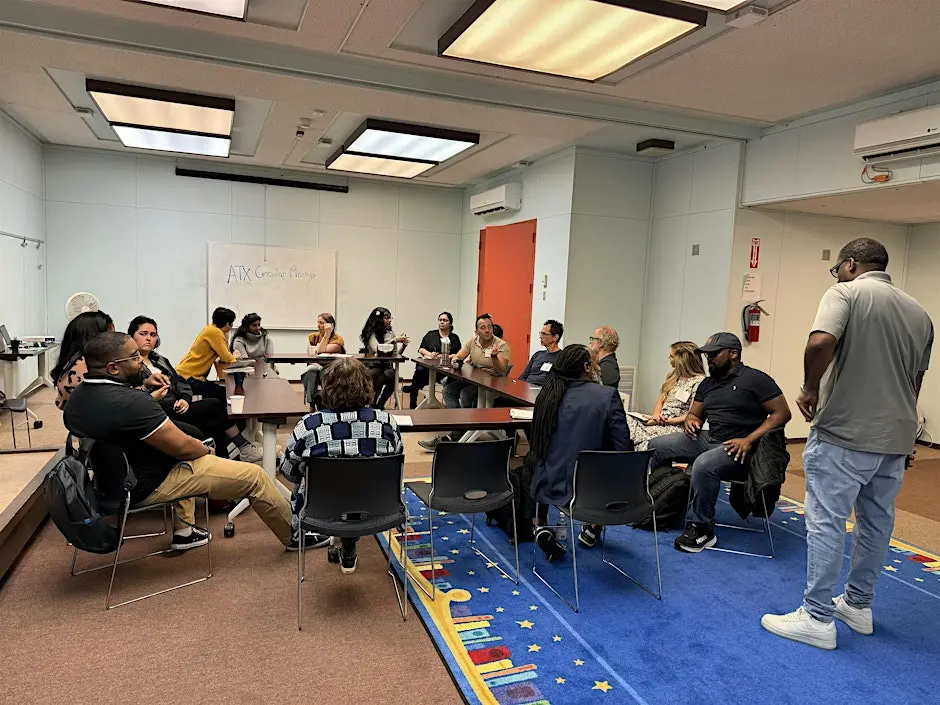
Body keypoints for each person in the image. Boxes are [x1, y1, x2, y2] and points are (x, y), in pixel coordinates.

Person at [762, 238, 934, 651]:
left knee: (825, 520)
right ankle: (858, 605)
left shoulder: (845, 292)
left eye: (836, 267)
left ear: (850, 264)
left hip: (844, 433)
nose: (835, 274)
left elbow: (820, 342)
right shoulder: (920, 312)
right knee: (877, 523)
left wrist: (808, 388)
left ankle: (817, 617)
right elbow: (916, 381)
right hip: (895, 437)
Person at [62, 332, 293, 550]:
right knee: (255, 476)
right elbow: (183, 449)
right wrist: (206, 450)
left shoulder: (77, 400)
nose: (141, 362)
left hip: (107, 483)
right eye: (134, 358)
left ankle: (184, 532)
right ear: (113, 368)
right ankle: (295, 537)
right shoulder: (132, 404)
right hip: (146, 484)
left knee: (185, 440)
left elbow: (120, 414)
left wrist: (142, 387)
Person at [647, 332, 791, 553]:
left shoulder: (755, 379)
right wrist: (692, 421)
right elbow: (695, 414)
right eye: (707, 355)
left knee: (703, 465)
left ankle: (702, 529)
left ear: (733, 354)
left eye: (714, 354)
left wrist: (749, 439)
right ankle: (659, 504)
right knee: (657, 445)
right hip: (710, 439)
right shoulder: (707, 384)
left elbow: (782, 413)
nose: (709, 359)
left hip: (741, 447)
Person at [279, 357, 404, 574]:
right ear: (368, 386)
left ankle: (329, 536)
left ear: (325, 387)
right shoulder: (386, 423)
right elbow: (397, 465)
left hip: (321, 509)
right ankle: (349, 543)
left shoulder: (310, 425)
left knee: (302, 478)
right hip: (376, 506)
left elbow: (288, 471)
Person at [527, 344, 633, 560]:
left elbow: (539, 445)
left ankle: (540, 525)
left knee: (536, 459)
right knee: (611, 463)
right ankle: (593, 528)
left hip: (550, 483)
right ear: (586, 367)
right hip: (592, 490)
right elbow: (622, 447)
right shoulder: (607, 395)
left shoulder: (547, 396)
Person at [128, 316, 262, 463]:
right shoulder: (130, 365)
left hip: (178, 406)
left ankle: (224, 460)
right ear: (132, 337)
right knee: (215, 404)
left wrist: (185, 399)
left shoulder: (159, 359)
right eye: (143, 334)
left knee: (214, 421)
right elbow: (132, 397)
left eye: (153, 335)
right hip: (160, 412)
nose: (148, 338)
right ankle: (242, 448)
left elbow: (180, 381)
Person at [418, 313, 511, 451]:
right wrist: (456, 361)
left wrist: (494, 357)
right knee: (448, 390)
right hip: (474, 379)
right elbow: (458, 356)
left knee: (465, 394)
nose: (487, 330)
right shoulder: (472, 342)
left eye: (489, 327)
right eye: (483, 327)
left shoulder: (501, 345)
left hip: (493, 383)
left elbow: (502, 370)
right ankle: (460, 425)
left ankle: (461, 430)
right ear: (477, 331)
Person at [53, 311, 167, 410]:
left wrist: (145, 386)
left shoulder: (73, 362)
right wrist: (149, 398)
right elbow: (116, 407)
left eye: (153, 335)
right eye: (110, 335)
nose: (114, 340)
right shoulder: (86, 366)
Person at [627, 342, 706, 451]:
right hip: (661, 421)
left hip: (676, 427)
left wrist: (667, 421)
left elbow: (692, 415)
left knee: (630, 432)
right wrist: (656, 415)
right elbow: (661, 400)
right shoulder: (673, 376)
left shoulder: (699, 381)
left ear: (682, 359)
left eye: (672, 356)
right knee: (625, 418)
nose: (669, 358)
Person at [176, 307, 241, 403]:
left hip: (187, 375)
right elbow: (226, 357)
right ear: (227, 323)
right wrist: (235, 356)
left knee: (219, 392)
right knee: (223, 394)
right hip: (189, 378)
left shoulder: (210, 329)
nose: (232, 326)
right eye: (231, 323)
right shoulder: (215, 332)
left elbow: (224, 353)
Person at [406, 312, 462, 408]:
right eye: (440, 320)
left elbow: (458, 354)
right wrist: (430, 354)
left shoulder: (454, 338)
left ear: (450, 323)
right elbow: (421, 349)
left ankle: (450, 402)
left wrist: (444, 356)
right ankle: (413, 400)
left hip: (444, 367)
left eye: (445, 320)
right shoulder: (431, 335)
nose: (442, 322)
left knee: (454, 376)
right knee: (419, 371)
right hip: (428, 365)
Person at [360, 307, 409, 408]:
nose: (390, 320)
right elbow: (377, 349)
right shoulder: (371, 333)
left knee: (391, 374)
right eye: (386, 318)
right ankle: (373, 403)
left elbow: (395, 354)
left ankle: (380, 404)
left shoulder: (390, 333)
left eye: (390, 318)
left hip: (386, 366)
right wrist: (394, 340)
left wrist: (403, 346)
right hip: (372, 366)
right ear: (379, 319)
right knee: (379, 374)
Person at [301, 313, 345, 410]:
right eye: (318, 322)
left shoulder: (338, 339)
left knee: (324, 372)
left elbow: (320, 350)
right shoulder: (313, 336)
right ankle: (311, 403)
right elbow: (310, 354)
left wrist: (327, 334)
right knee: (311, 370)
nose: (318, 325)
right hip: (315, 365)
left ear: (330, 325)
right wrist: (317, 363)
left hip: (331, 367)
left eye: (321, 323)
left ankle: (327, 402)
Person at [518, 320, 563, 387]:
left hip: (543, 392)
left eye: (544, 334)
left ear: (555, 337)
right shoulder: (537, 355)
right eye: (541, 333)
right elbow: (523, 377)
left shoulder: (562, 357)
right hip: (526, 388)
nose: (540, 337)